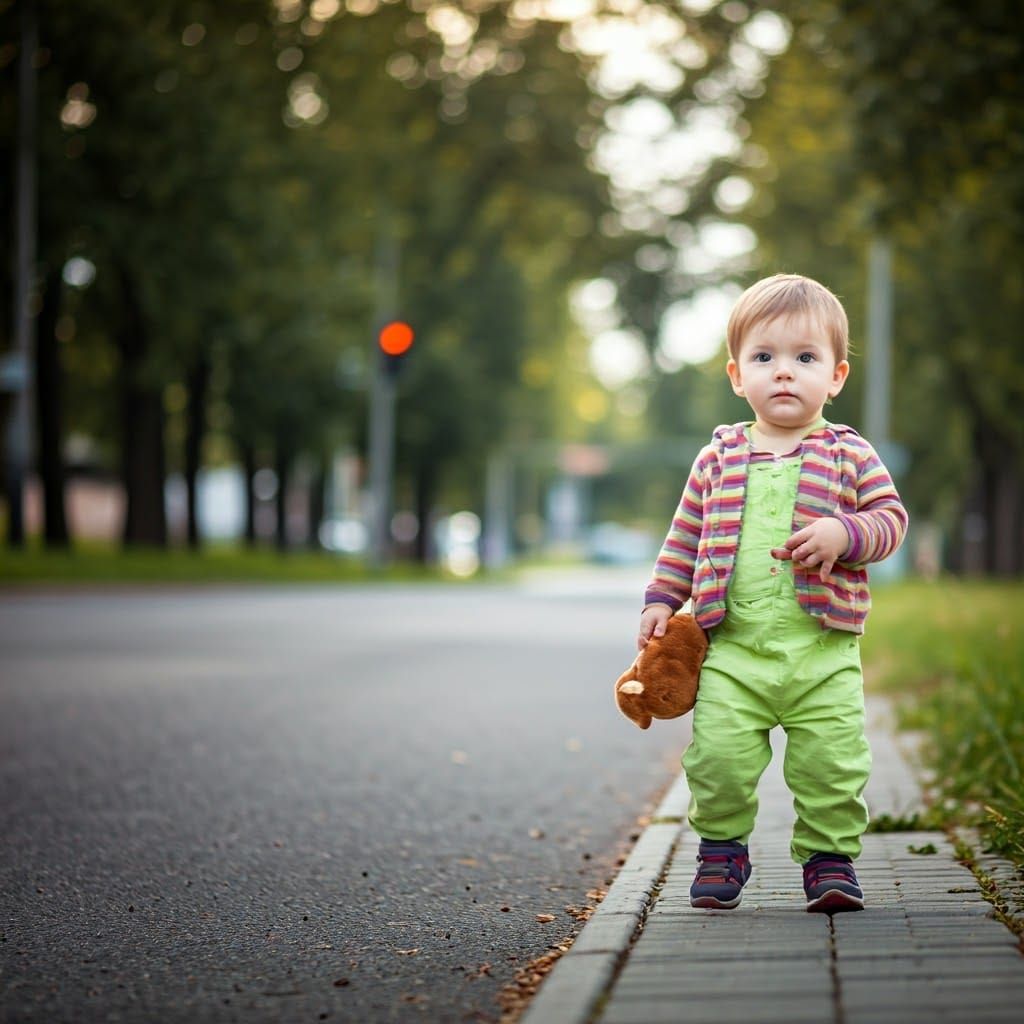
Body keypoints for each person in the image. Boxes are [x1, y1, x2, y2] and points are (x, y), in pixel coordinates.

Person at [639, 273, 908, 914]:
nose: (784, 373)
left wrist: (846, 533)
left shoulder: (851, 454)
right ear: (737, 376)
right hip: (733, 648)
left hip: (822, 649)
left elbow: (891, 521)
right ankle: (722, 849)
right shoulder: (717, 459)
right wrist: (660, 599)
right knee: (719, 757)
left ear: (836, 376)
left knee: (832, 765)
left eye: (804, 358)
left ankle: (829, 860)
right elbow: (685, 538)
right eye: (765, 357)